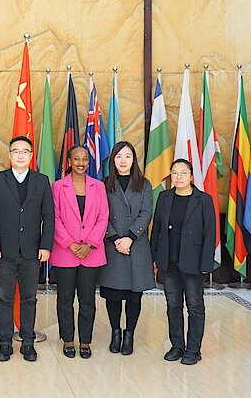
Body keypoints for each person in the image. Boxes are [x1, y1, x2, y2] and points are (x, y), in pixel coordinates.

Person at [0, 136, 54, 362]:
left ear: (31, 155)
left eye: (25, 151)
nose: (20, 155)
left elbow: (49, 216)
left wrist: (45, 245)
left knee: (29, 298)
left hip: (32, 251)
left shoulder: (41, 181)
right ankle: (4, 342)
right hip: (4, 251)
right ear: (9, 155)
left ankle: (27, 342)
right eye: (16, 151)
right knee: (5, 298)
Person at [150, 158, 216, 366]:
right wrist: (154, 256)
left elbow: (210, 233)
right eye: (174, 173)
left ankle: (193, 350)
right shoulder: (164, 197)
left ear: (191, 177)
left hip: (193, 262)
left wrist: (206, 264)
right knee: (173, 305)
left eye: (183, 173)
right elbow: (157, 228)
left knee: (195, 306)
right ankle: (177, 346)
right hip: (169, 261)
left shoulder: (203, 199)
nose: (178, 177)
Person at [49, 145, 109, 359]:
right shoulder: (57, 187)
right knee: (65, 299)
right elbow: (53, 218)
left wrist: (89, 244)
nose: (81, 163)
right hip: (65, 252)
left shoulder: (99, 186)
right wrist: (71, 244)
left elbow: (103, 217)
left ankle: (85, 341)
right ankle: (68, 340)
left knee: (87, 300)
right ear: (69, 161)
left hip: (91, 253)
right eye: (76, 159)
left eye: (84, 159)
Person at [99, 141, 155, 356]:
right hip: (112, 245)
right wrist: (115, 238)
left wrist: (130, 237)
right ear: (113, 160)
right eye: (119, 156)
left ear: (134, 160)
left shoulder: (144, 184)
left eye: (127, 156)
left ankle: (129, 334)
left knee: (134, 295)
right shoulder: (104, 184)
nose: (123, 161)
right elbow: (100, 214)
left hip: (136, 245)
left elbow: (146, 213)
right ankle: (116, 333)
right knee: (113, 294)